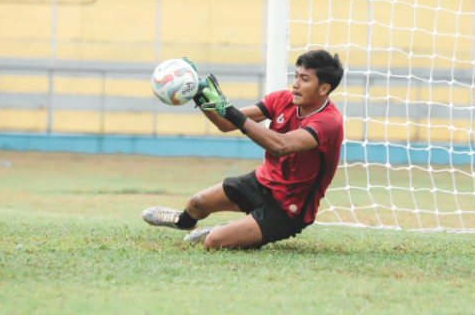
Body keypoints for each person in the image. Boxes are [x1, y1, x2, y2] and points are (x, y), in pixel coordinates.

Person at [142, 50, 344, 250]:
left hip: (289, 208)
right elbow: (226, 123)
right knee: (197, 202)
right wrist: (198, 93)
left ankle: (225, 230)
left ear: (324, 88)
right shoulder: (282, 99)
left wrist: (230, 111)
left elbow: (281, 146)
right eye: (296, 76)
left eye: (305, 79)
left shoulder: (328, 121)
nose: (296, 84)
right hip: (263, 182)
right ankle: (184, 221)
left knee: (214, 242)